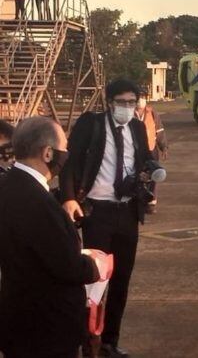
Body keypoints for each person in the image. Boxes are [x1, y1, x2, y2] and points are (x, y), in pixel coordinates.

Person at [60, 79, 154, 358]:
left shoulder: (137, 126)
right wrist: (68, 198)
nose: (127, 107)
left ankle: (110, 342)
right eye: (121, 102)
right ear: (109, 102)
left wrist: (149, 188)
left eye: (132, 102)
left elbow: (146, 160)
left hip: (126, 212)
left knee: (122, 279)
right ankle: (89, 343)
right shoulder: (91, 124)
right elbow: (71, 162)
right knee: (95, 280)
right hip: (97, 212)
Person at [0, 117, 100, 358]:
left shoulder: (8, 185)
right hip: (46, 328)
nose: (66, 155)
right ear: (48, 153)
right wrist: (95, 264)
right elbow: (69, 267)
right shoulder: (38, 202)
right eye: (64, 149)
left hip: (17, 317)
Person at [135, 88, 168, 214]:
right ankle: (137, 200)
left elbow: (159, 131)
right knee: (137, 175)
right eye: (139, 97)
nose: (140, 100)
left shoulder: (152, 113)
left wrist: (163, 147)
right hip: (134, 152)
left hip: (151, 149)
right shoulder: (130, 114)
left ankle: (151, 202)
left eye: (143, 97)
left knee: (153, 175)